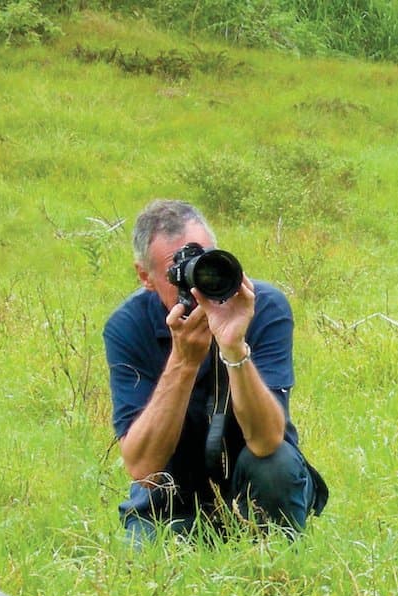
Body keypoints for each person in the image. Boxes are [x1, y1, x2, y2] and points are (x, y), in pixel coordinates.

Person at [104, 199, 327, 542]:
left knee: (277, 465)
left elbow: (268, 440)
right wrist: (183, 362)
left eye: (204, 261)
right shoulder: (128, 326)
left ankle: (277, 556)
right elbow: (142, 469)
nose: (199, 283)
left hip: (253, 485)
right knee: (143, 559)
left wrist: (235, 348)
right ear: (145, 277)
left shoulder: (262, 306)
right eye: (179, 272)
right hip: (173, 497)